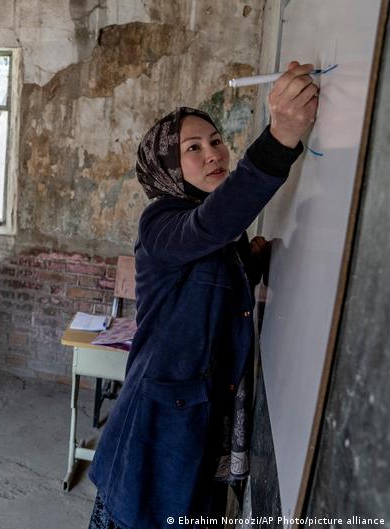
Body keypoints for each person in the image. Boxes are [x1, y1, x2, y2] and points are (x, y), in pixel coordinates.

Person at [87, 62, 318, 529]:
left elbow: (203, 287)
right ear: (168, 167)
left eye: (215, 141)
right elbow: (209, 226)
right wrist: (281, 137)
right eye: (192, 148)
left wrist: (249, 263)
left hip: (198, 424)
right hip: (155, 429)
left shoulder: (218, 235)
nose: (212, 153)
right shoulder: (161, 222)